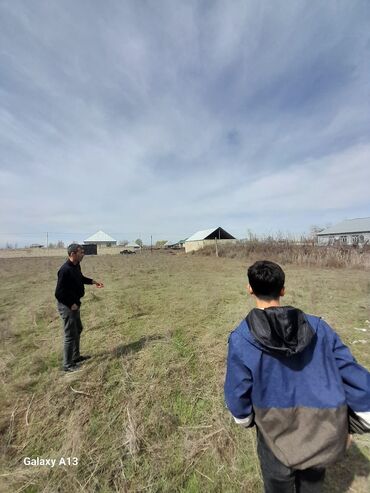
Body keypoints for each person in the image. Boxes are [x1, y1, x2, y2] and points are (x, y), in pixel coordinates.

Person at [224, 260, 370, 493]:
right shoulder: (318, 327)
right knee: (312, 485)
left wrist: (246, 420)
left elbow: (237, 394)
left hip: (274, 437)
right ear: (283, 290)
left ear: (249, 289)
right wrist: (357, 420)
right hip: (318, 432)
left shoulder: (241, 338)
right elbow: (352, 374)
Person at [55, 243, 104, 372]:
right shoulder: (64, 270)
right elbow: (58, 293)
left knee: (78, 329)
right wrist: (71, 304)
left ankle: (76, 357)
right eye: (80, 252)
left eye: (82, 251)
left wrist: (94, 282)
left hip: (75, 304)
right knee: (70, 334)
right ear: (72, 254)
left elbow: (80, 278)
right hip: (67, 306)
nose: (83, 254)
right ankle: (67, 365)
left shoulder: (76, 266)